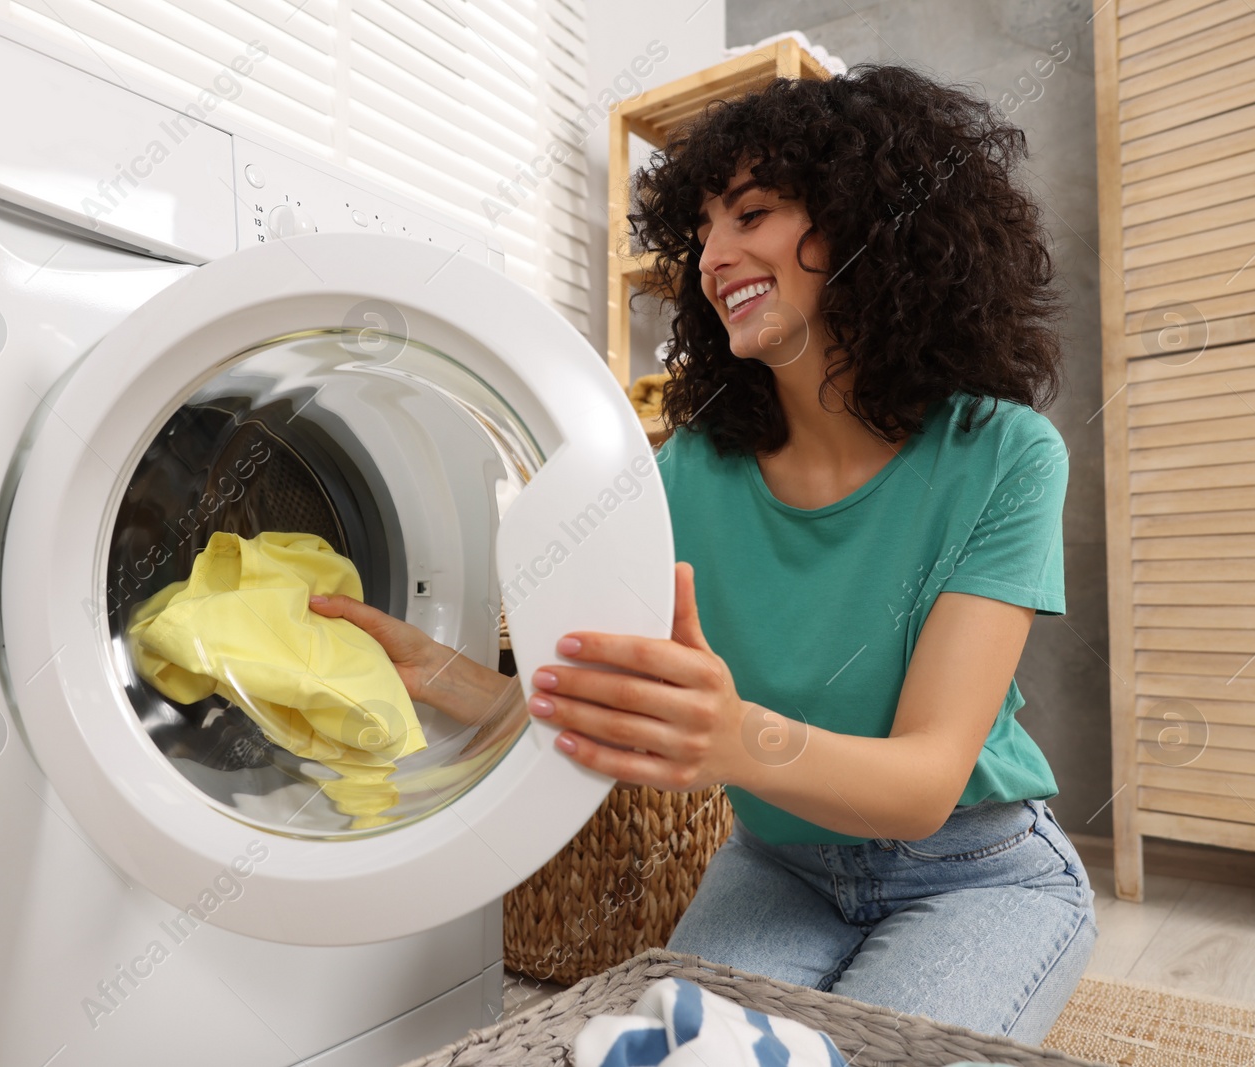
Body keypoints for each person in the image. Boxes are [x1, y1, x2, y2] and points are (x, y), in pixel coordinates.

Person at [312, 65, 1097, 1047]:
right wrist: (428, 669)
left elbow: (925, 777)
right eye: (702, 233)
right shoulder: (685, 473)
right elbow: (591, 692)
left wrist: (734, 740)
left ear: (872, 221)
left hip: (976, 869)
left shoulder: (1002, 454)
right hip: (779, 866)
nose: (714, 256)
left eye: (752, 214)